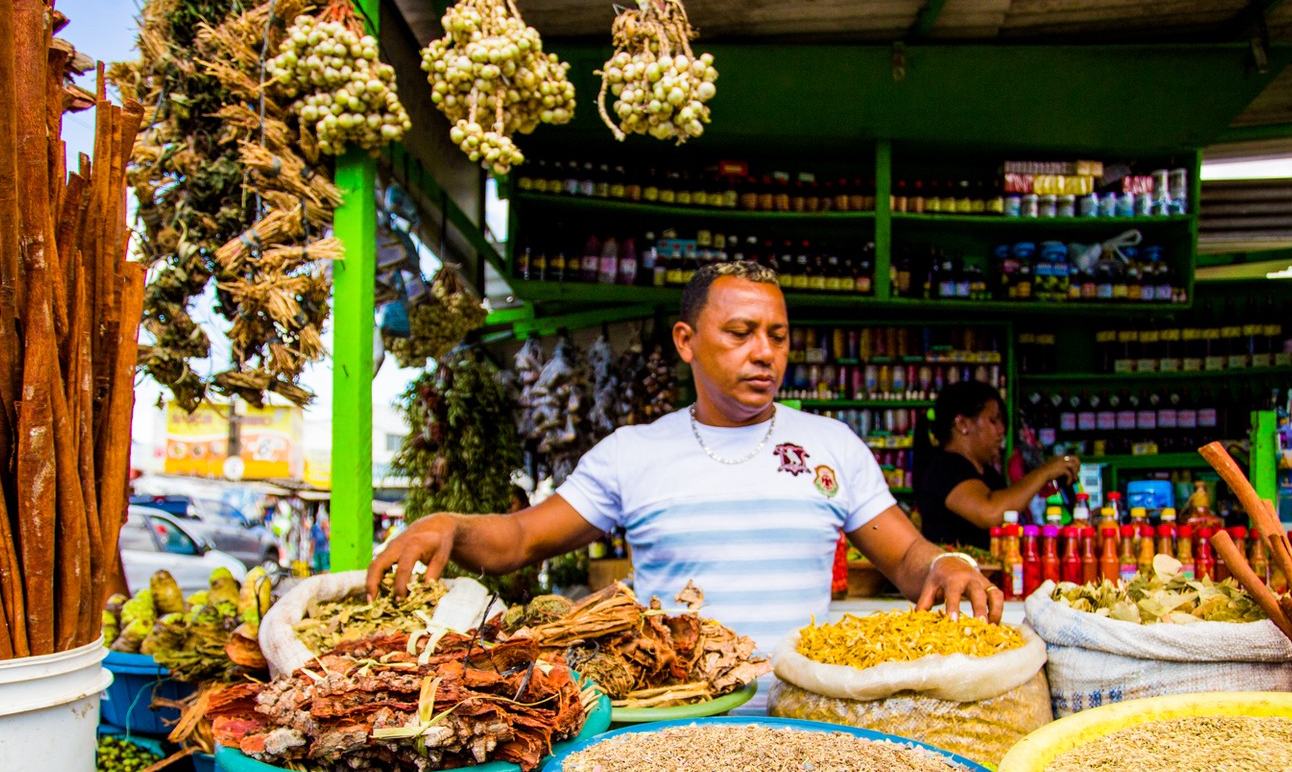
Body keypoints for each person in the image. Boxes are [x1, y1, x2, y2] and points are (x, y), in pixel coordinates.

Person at [366, 260, 1003, 653]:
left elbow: (907, 559)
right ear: (687, 341)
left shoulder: (830, 445)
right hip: (672, 725)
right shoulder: (633, 453)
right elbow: (520, 540)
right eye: (740, 333)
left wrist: (947, 564)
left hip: (806, 721)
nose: (765, 353)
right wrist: (450, 525)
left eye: (777, 336)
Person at [915, 379, 1078, 550]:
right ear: (962, 424)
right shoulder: (945, 469)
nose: (1001, 430)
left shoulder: (989, 474)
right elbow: (990, 512)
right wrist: (1044, 472)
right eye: (993, 421)